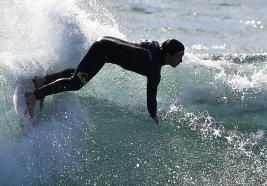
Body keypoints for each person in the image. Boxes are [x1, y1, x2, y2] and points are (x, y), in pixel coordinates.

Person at [26, 36, 185, 123]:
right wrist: (154, 117)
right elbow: (151, 98)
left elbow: (145, 43)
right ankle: (34, 95)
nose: (181, 60)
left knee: (79, 74)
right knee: (76, 83)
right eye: (179, 56)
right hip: (103, 50)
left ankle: (43, 81)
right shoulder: (153, 68)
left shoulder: (154, 47)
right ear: (168, 54)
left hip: (105, 44)